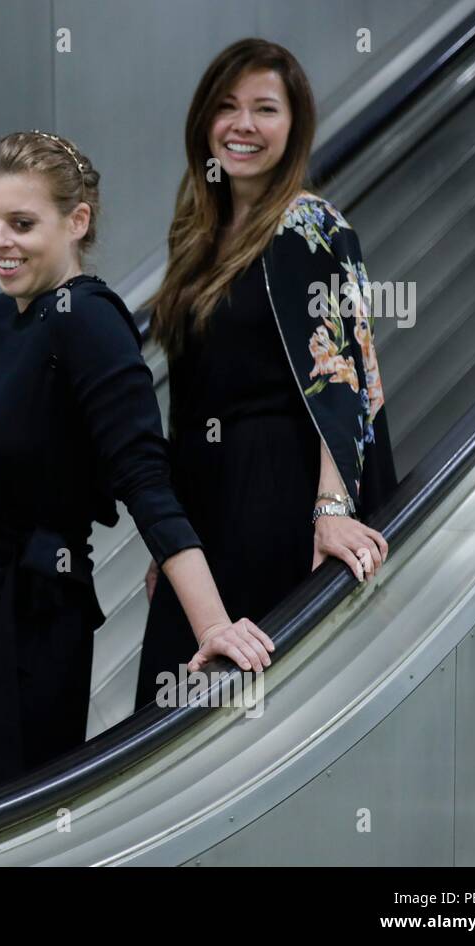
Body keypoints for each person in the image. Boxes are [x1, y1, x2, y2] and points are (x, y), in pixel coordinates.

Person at [0, 130, 274, 815]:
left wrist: (212, 624)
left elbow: (143, 475)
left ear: (78, 222)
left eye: (21, 223)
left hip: (19, 620)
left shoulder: (91, 321)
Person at [135, 39, 398, 712]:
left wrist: (333, 510)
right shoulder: (195, 236)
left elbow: (345, 373)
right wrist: (173, 541)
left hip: (273, 493)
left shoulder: (309, 226)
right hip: (205, 502)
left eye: (264, 108)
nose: (243, 125)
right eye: (226, 107)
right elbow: (188, 397)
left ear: (295, 125)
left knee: (248, 701)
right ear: (203, 123)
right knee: (180, 702)